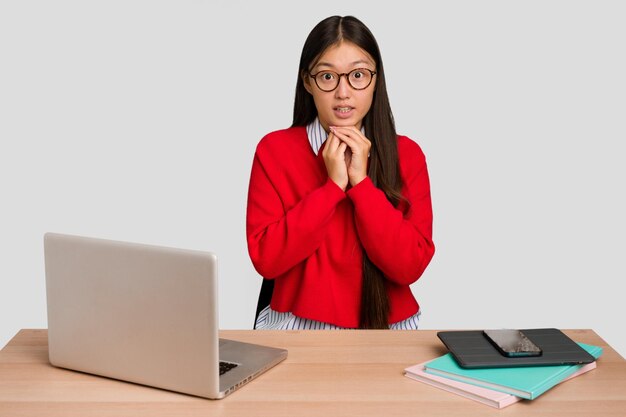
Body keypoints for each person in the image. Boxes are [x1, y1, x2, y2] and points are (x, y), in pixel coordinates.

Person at [246, 15, 435, 330]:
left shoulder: (408, 154)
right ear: (308, 82)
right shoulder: (274, 150)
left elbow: (409, 267)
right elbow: (266, 259)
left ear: (376, 79)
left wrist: (361, 186)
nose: (343, 92)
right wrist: (331, 188)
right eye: (327, 76)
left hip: (390, 332)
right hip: (295, 328)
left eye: (358, 75)